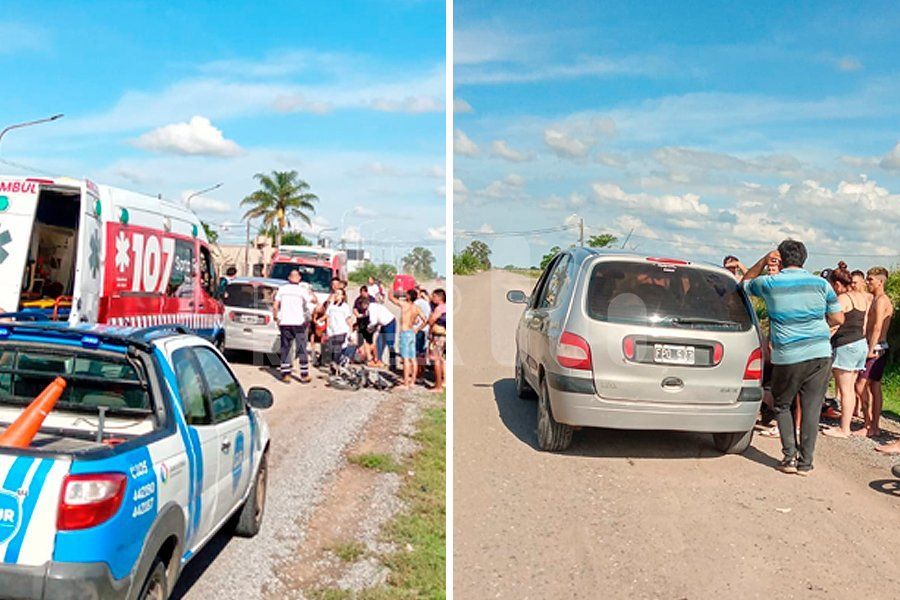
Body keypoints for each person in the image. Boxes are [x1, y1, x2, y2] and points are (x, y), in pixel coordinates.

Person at [742, 240, 844, 475]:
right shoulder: (821, 284)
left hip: (788, 355)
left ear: (782, 259)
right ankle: (805, 463)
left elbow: (744, 283)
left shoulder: (770, 283)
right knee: (811, 408)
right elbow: (838, 319)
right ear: (804, 259)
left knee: (782, 404)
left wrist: (764, 259)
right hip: (820, 352)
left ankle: (789, 457)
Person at [822, 265, 870, 438]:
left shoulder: (843, 299)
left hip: (846, 345)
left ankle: (844, 428)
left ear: (837, 284)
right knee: (850, 387)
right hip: (859, 344)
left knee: (846, 389)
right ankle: (846, 424)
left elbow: (835, 323)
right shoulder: (862, 298)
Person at [856, 267, 896, 448]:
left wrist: (870, 349)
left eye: (870, 279)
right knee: (872, 386)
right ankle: (871, 424)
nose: (868, 282)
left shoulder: (882, 301)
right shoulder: (874, 299)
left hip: (877, 347)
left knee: (862, 385)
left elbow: (878, 326)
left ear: (880, 281)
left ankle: (871, 424)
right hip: (871, 345)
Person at [273, 269, 317, 383]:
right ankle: (304, 374)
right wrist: (312, 294)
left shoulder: (282, 289)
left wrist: (276, 317)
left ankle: (286, 374)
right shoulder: (301, 290)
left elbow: (275, 305)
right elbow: (313, 301)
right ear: (299, 279)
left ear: (289, 278)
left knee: (285, 348)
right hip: (298, 323)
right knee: (301, 348)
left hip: (285, 322)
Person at [388, 287, 426, 390]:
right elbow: (425, 320)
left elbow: (390, 298)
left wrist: (391, 288)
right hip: (412, 332)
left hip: (405, 333)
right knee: (413, 358)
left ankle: (405, 383)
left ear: (408, 296)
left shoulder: (405, 305)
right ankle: (412, 381)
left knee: (405, 359)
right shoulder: (417, 308)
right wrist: (418, 329)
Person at [324, 288, 354, 370]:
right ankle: (341, 362)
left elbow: (348, 320)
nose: (336, 295)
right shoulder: (331, 306)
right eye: (336, 293)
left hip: (341, 331)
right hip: (332, 331)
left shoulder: (345, 307)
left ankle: (336, 368)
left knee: (337, 350)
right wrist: (327, 328)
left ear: (343, 296)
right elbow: (327, 317)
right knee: (331, 350)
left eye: (339, 294)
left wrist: (350, 332)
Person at [368, 297, 398, 370]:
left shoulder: (371, 308)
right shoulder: (375, 306)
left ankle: (393, 363)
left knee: (390, 344)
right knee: (379, 342)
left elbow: (373, 321)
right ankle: (379, 360)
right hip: (383, 323)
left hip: (389, 322)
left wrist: (369, 327)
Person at [428, 288, 447, 393]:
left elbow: (431, 320)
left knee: (436, 360)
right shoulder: (445, 307)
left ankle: (438, 386)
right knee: (441, 359)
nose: (432, 298)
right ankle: (442, 382)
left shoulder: (439, 308)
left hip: (438, 336)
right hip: (443, 335)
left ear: (439, 297)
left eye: (434, 296)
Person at [414, 288, 433, 380]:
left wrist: (417, 328)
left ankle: (417, 373)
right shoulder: (427, 304)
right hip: (426, 329)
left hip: (419, 330)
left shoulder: (417, 303)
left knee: (416, 353)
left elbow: (415, 318)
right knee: (422, 353)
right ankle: (421, 374)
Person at [354, 286, 371, 363]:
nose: (361, 294)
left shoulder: (372, 300)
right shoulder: (358, 299)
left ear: (366, 292)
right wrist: (357, 315)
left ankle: (368, 357)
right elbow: (354, 309)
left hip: (369, 323)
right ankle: (360, 357)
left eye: (363, 292)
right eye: (360, 292)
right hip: (360, 322)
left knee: (369, 341)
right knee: (360, 340)